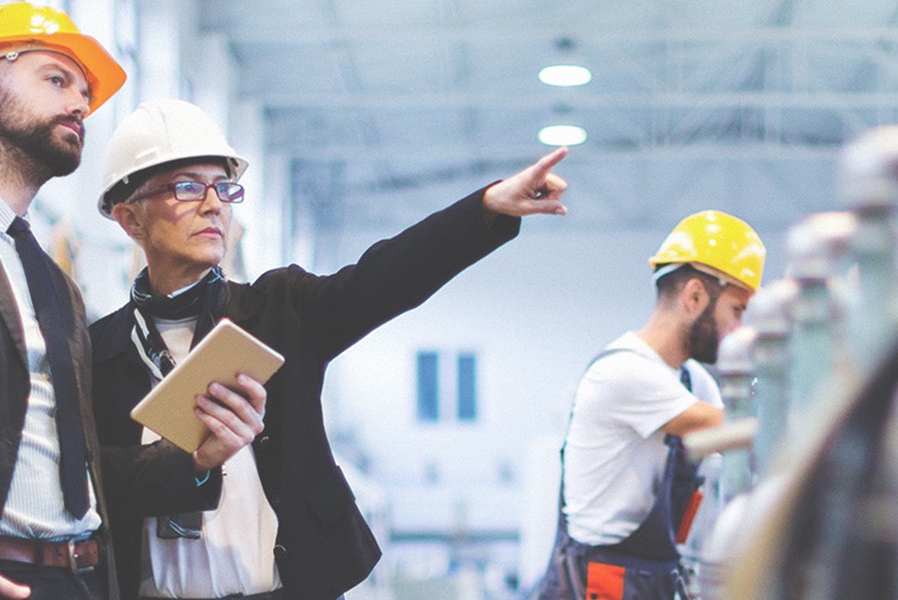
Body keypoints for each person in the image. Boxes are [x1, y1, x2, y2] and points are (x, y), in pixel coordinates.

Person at [0, 4, 265, 600]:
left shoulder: (55, 284)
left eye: (84, 93)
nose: (80, 105)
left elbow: (78, 469)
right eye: (57, 80)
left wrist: (194, 457)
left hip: (80, 579)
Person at [88, 98, 570, 600]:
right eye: (187, 187)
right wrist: (184, 464)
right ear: (130, 219)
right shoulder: (97, 354)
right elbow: (91, 484)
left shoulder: (278, 312)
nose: (214, 204)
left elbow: (386, 278)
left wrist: (486, 208)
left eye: (224, 187)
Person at [535, 210, 767, 599]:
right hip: (600, 583)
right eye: (737, 310)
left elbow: (748, 436)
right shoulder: (625, 372)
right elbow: (732, 430)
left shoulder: (691, 380)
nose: (739, 330)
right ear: (694, 296)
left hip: (648, 578)